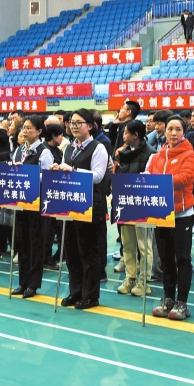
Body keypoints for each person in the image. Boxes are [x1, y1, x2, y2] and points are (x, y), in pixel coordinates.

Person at [54, 109, 110, 311]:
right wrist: (58, 169)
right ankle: (75, 291)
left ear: (91, 126)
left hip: (90, 206)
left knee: (89, 252)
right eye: (72, 122)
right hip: (70, 205)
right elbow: (65, 170)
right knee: (72, 251)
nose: (74, 126)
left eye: (79, 122)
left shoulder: (98, 148)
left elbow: (98, 176)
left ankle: (90, 295)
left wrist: (74, 171)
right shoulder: (70, 147)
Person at [149, 115, 194, 321]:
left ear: (184, 133)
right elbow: (148, 176)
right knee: (166, 258)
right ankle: (168, 298)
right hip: (162, 214)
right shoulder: (157, 156)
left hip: (182, 214)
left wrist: (158, 182)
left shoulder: (190, 155)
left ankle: (182, 302)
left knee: (183, 259)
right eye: (170, 128)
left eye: (178, 129)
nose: (173, 133)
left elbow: (185, 178)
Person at [10, 115, 55, 298]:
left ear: (39, 131)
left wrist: (26, 173)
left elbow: (47, 177)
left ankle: (33, 285)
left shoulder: (44, 152)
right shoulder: (19, 150)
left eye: (29, 128)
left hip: (37, 204)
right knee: (22, 243)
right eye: (24, 128)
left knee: (36, 244)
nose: (25, 131)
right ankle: (22, 282)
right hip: (21, 202)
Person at [113, 120, 154, 297]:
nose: (123, 136)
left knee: (144, 246)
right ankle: (130, 277)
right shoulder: (122, 153)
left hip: (142, 205)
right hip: (125, 203)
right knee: (127, 244)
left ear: (136, 135)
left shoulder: (151, 154)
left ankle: (144, 281)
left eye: (126, 133)